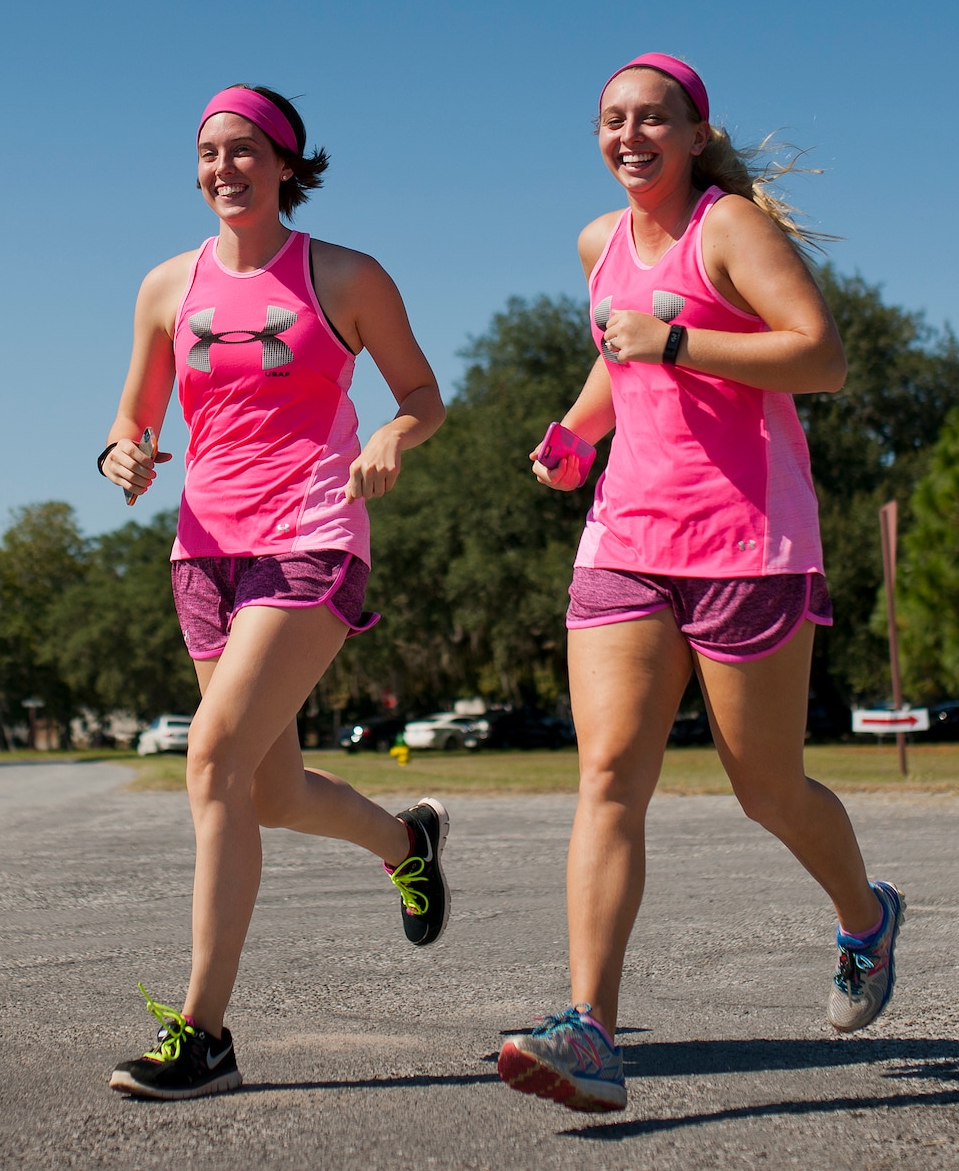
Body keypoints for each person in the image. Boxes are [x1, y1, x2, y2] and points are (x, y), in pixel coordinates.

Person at [497, 54, 907, 1114]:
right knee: (607, 777)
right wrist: (574, 435)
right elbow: (614, 359)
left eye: (650, 120)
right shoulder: (597, 243)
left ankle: (863, 917)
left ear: (691, 132)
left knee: (763, 787)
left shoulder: (725, 228)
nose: (628, 135)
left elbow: (817, 356)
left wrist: (679, 339)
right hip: (626, 538)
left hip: (745, 541)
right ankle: (588, 1027)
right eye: (610, 120)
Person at [99, 84, 450, 1101]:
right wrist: (122, 455)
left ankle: (202, 1032)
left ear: (289, 164)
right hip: (202, 554)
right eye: (208, 151)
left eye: (245, 149)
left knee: (208, 757)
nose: (223, 167)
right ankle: (405, 841)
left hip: (308, 538)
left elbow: (420, 394)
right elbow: (133, 415)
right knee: (266, 788)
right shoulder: (166, 286)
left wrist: (391, 432)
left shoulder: (342, 275)